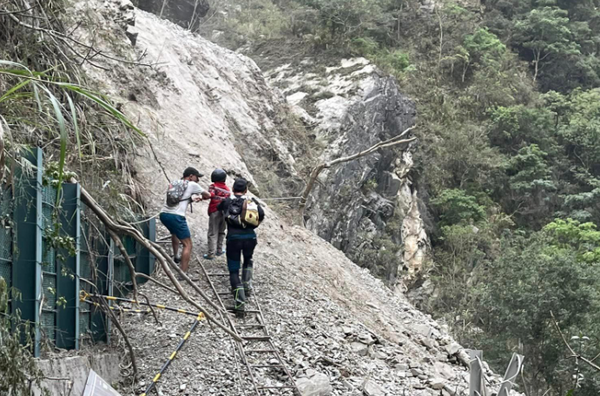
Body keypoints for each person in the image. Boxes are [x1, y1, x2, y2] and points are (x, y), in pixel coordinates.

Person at [217, 178, 265, 315]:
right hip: (250, 237)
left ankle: (240, 304)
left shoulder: (227, 201)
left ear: (232, 189)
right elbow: (261, 215)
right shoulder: (252, 202)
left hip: (233, 239)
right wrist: (252, 226)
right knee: (248, 259)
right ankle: (247, 287)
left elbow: (218, 208)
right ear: (245, 190)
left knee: (233, 270)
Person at [159, 167, 210, 273]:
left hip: (164, 214)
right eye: (197, 177)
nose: (198, 180)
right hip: (176, 216)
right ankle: (183, 273)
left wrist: (191, 200)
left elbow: (177, 201)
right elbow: (207, 195)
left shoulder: (175, 183)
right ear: (191, 176)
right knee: (188, 244)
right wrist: (202, 196)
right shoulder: (192, 184)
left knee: (175, 233)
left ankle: (176, 256)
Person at [204, 168, 230, 260]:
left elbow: (209, 195)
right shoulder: (227, 189)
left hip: (214, 211)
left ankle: (211, 253)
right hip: (224, 213)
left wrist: (202, 196)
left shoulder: (213, 186)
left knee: (212, 232)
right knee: (221, 231)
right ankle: (219, 250)